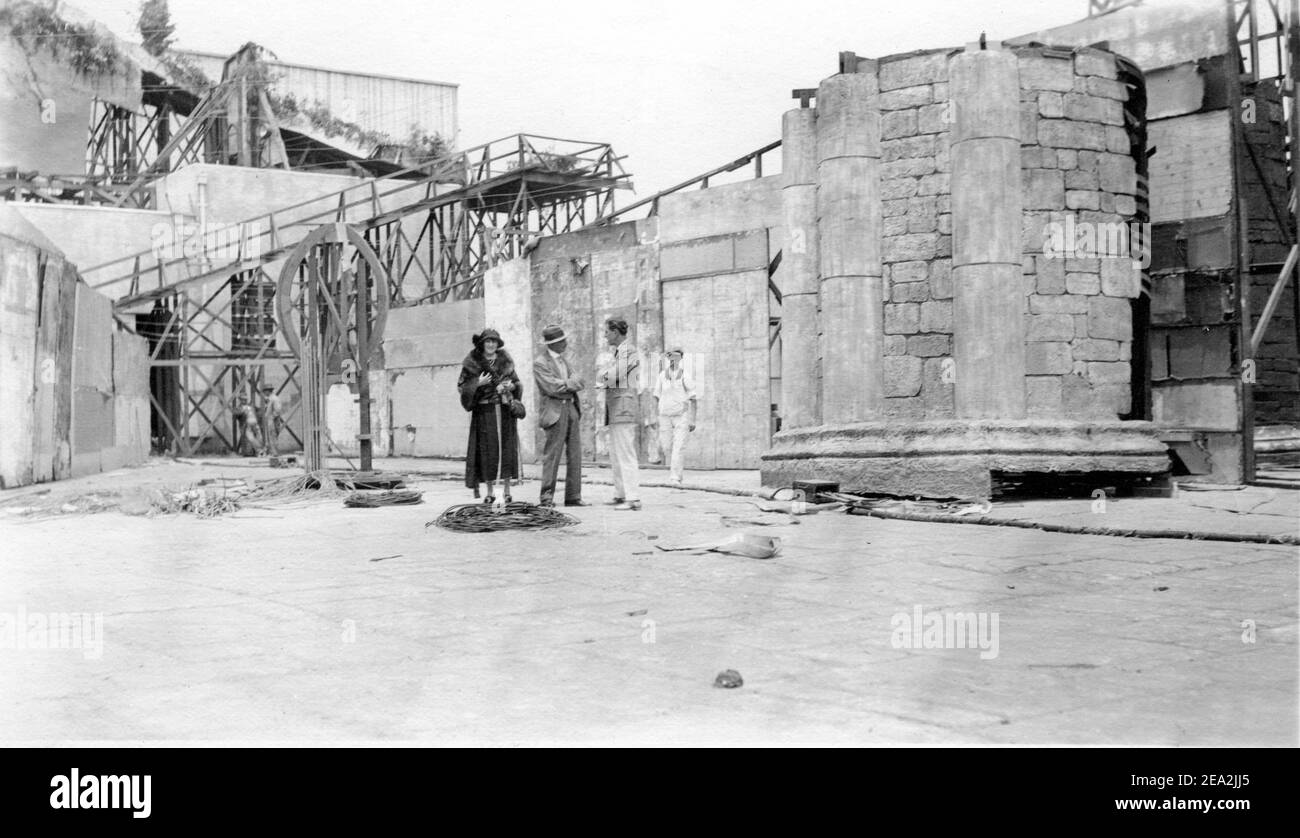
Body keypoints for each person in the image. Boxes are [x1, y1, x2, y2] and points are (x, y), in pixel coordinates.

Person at [457, 328, 522, 504]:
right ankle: (490, 492)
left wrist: (511, 387)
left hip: (504, 412)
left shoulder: (505, 361)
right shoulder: (472, 363)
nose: (491, 344)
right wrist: (478, 383)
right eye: (488, 341)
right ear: (482, 344)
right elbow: (462, 387)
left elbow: (517, 383)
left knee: (506, 451)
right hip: (485, 413)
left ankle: (507, 491)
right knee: (488, 453)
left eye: (494, 341)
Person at [534, 324, 587, 507]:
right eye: (560, 341)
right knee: (553, 455)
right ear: (551, 344)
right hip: (555, 412)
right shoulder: (540, 362)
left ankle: (573, 496)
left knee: (575, 454)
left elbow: (580, 380)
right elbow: (551, 387)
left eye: (563, 339)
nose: (564, 343)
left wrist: (567, 385)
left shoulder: (565, 361)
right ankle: (546, 497)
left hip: (571, 408)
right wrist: (569, 385)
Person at [597, 317, 641, 510]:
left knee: (625, 454)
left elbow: (615, 375)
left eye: (607, 332)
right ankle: (621, 494)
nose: (605, 336)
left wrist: (603, 376)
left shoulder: (628, 350)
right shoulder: (619, 352)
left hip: (623, 408)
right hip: (617, 409)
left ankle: (633, 498)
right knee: (616, 454)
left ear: (615, 332)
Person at [653, 348, 697, 486]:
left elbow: (693, 399)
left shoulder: (685, 376)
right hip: (665, 416)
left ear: (680, 359)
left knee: (679, 447)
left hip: (681, 416)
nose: (673, 360)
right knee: (667, 447)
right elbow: (656, 396)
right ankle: (677, 474)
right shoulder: (662, 376)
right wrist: (655, 416)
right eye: (671, 357)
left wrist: (692, 419)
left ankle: (675, 477)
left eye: (676, 357)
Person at [259, 383, 285, 457]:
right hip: (271, 420)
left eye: (265, 391)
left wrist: (272, 417)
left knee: (273, 436)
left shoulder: (274, 399)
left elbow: (278, 410)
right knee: (271, 436)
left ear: (268, 391)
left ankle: (275, 453)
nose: (264, 393)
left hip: (273, 421)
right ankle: (273, 452)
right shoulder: (271, 399)